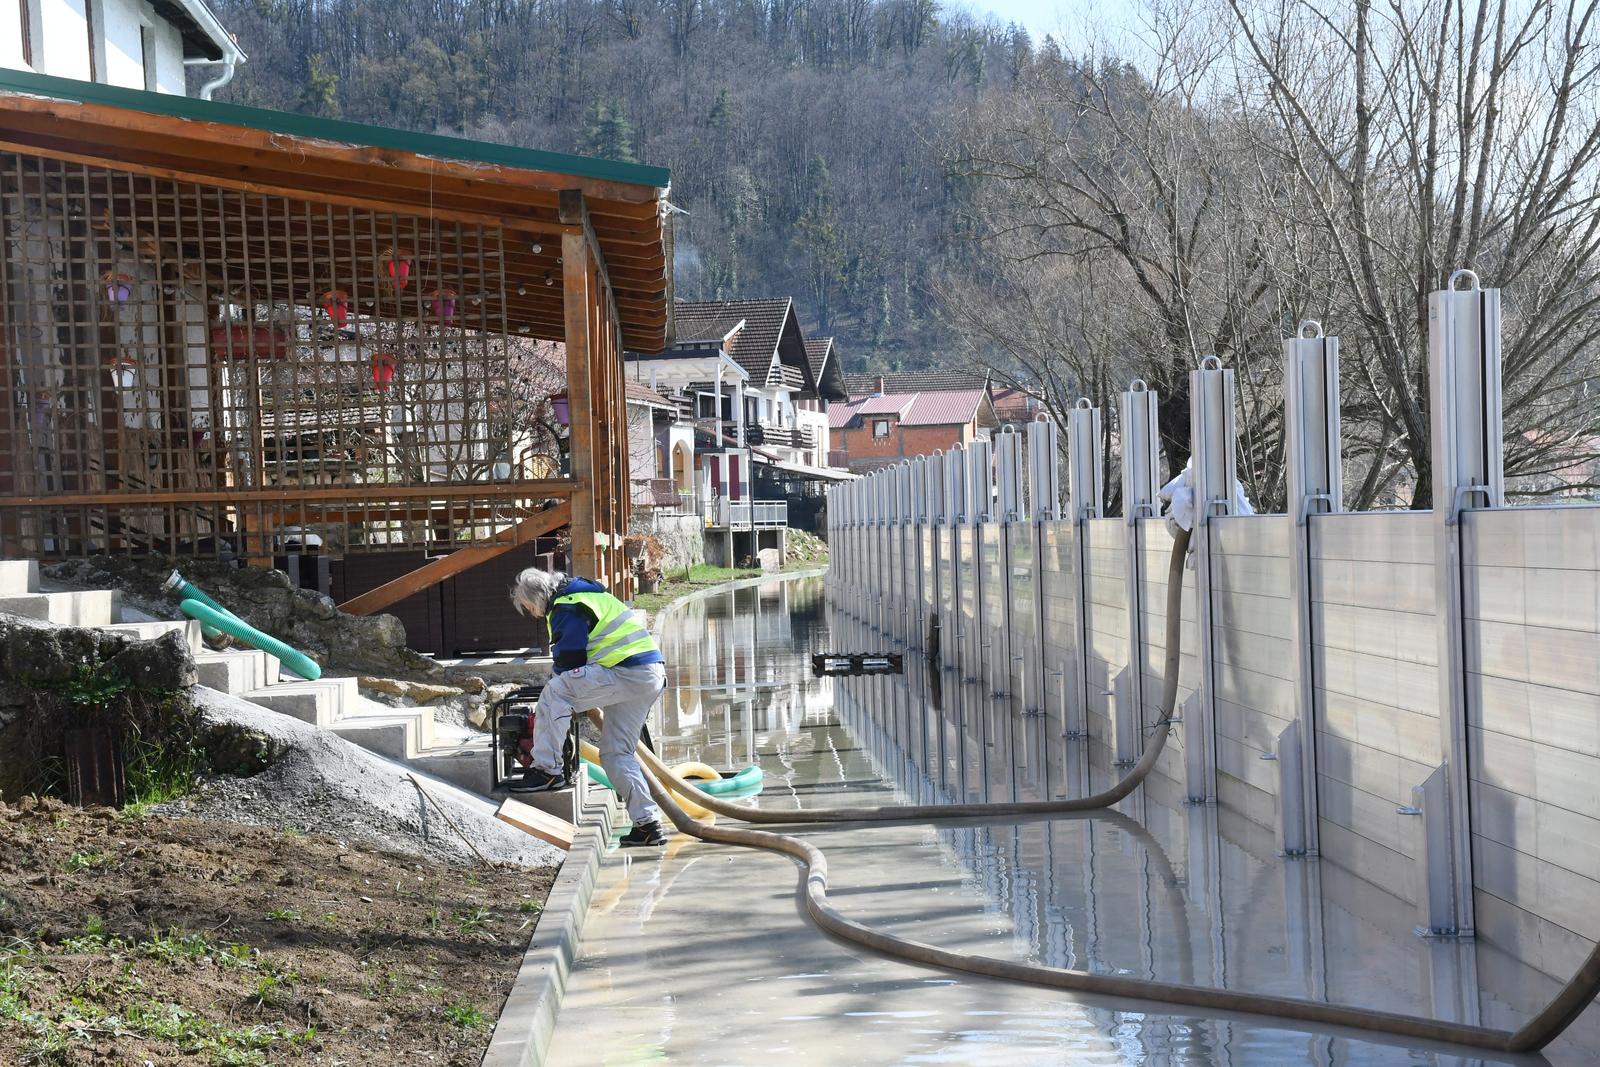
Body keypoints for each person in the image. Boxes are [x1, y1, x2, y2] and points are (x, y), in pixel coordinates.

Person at [508, 568, 668, 847]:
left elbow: (569, 658)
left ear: (536, 599)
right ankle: (647, 825)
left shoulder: (566, 605)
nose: (532, 614)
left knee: (554, 693)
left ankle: (547, 771)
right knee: (616, 754)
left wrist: (558, 693)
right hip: (648, 674)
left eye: (529, 608)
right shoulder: (586, 595)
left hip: (626, 672)